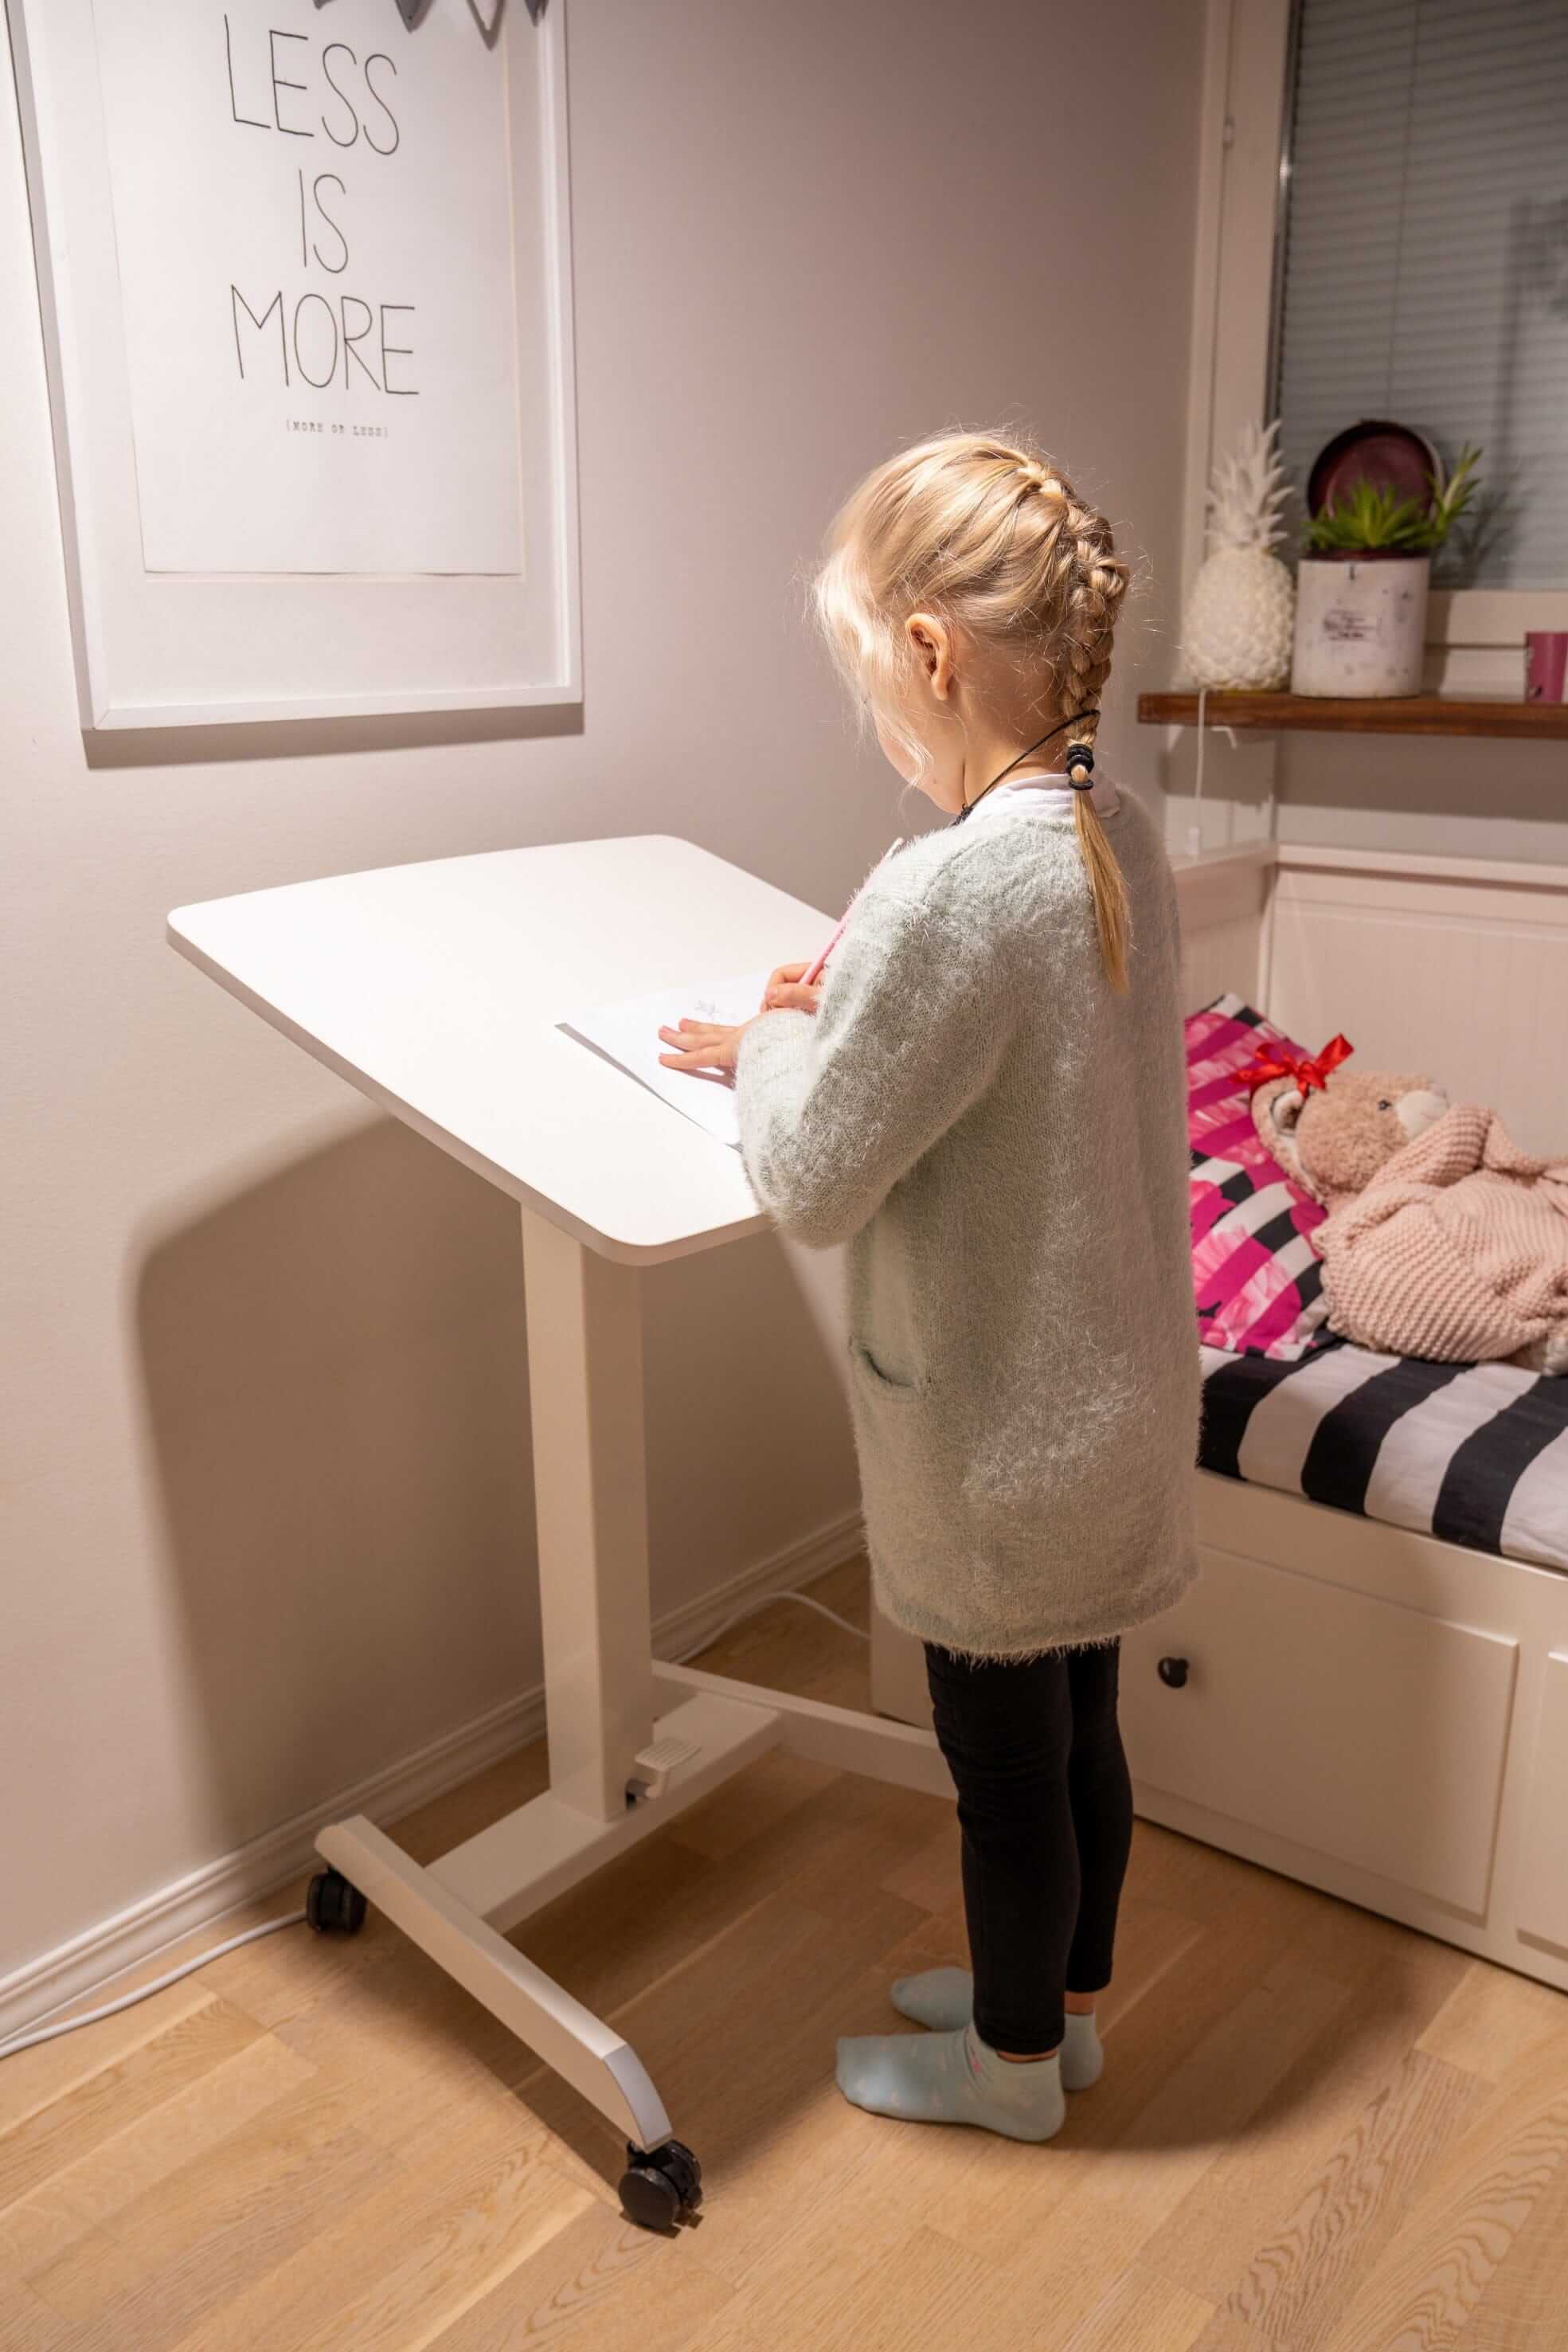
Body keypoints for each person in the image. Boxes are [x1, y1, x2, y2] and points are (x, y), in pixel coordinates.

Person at [656, 430, 1200, 2145]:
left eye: (864, 679)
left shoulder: (955, 885)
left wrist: (774, 1038)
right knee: (1082, 1728)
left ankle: (1012, 2070)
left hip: (999, 1435)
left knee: (1001, 1778)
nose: (875, 726)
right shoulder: (1114, 831)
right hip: (1110, 1403)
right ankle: (1067, 2013)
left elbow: (814, 1175)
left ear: (933, 651)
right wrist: (826, 1017)